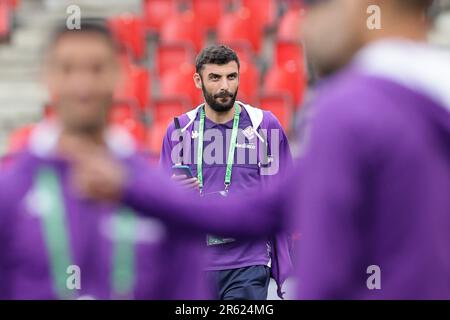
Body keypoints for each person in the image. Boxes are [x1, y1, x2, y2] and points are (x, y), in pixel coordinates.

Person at [69, 0, 450, 299]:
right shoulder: (421, 97)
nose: (303, 25)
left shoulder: (349, 107)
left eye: (313, 6)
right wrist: (137, 187)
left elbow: (321, 266)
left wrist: (132, 185)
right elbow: (266, 208)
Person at [0, 18, 208, 299]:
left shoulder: (156, 192)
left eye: (97, 69)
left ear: (118, 75)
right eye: (68, 69)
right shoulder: (11, 192)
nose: (82, 84)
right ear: (48, 77)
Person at [160, 44, 293, 300]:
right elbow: (161, 203)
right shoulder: (178, 130)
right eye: (215, 77)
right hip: (194, 265)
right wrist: (174, 192)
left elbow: (287, 195)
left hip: (248, 262)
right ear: (198, 80)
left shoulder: (264, 126)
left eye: (231, 77)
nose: (225, 86)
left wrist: (285, 266)